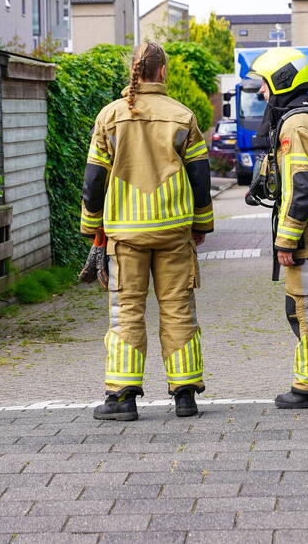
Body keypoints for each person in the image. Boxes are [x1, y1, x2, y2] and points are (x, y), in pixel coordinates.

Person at [81, 42, 213, 421]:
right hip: (173, 231)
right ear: (162, 71)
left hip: (125, 235)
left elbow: (93, 180)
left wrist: (93, 229)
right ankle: (185, 396)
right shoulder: (182, 116)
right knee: (178, 309)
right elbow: (200, 178)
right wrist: (201, 224)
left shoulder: (110, 116)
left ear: (134, 72)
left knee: (126, 314)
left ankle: (121, 399)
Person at [248, 48, 308, 410]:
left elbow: (301, 186)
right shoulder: (303, 116)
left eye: (264, 85)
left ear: (281, 81)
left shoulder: (297, 125)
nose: (261, 93)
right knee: (300, 305)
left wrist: (285, 240)